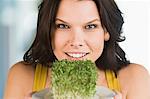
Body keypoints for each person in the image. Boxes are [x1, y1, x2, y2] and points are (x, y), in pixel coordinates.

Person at [4, 0, 150, 99]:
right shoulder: (22, 76)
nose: (76, 41)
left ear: (106, 31)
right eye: (63, 26)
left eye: (90, 26)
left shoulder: (134, 78)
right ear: (48, 30)